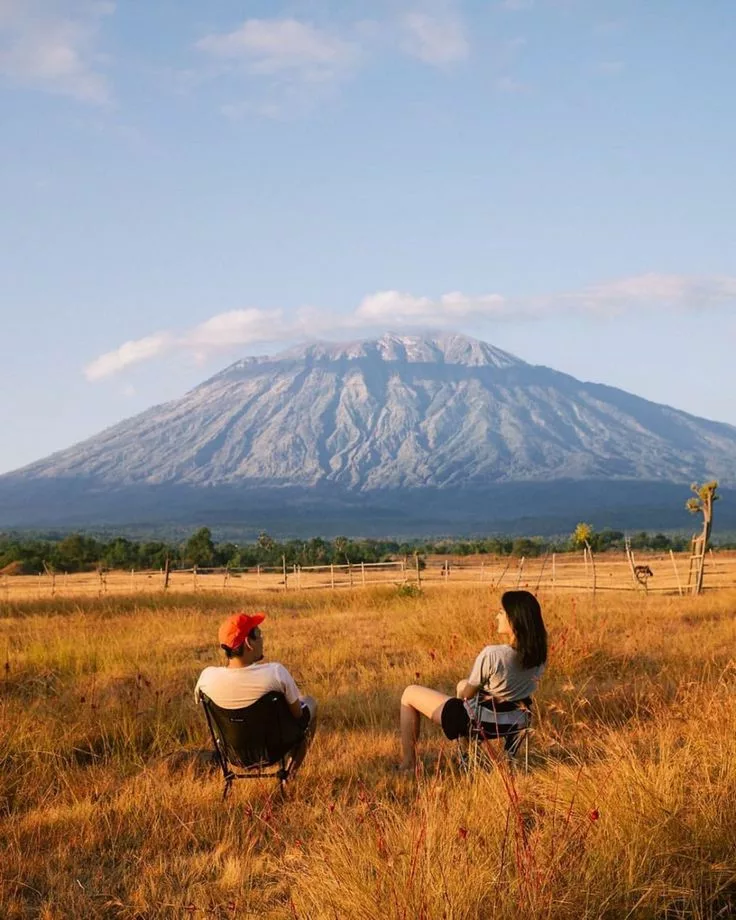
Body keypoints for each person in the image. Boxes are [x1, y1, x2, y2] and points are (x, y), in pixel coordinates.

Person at [398, 590, 547, 771]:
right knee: (462, 684)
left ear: (514, 619)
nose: (497, 616)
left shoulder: (493, 654)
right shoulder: (539, 655)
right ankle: (467, 756)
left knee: (409, 693)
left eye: (501, 612)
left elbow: (468, 695)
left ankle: (408, 764)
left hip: (479, 722)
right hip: (515, 721)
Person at [195, 612, 317, 773]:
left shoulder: (207, 677)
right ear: (248, 643)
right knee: (311, 703)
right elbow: (298, 715)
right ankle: (290, 774)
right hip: (274, 751)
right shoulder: (275, 673)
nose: (262, 639)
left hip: (230, 753)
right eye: (258, 634)